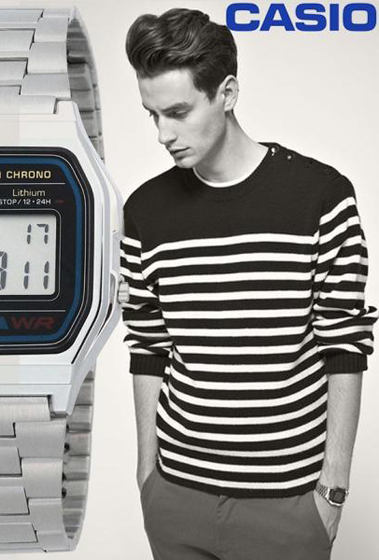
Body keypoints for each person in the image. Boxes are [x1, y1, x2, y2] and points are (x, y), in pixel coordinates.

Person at [120, 7, 378, 560]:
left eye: (178, 112)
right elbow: (148, 347)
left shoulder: (321, 197)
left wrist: (332, 490)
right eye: (152, 115)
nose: (163, 134)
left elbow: (345, 347)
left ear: (228, 93)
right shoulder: (144, 211)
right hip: (175, 498)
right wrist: (147, 475)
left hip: (288, 507)